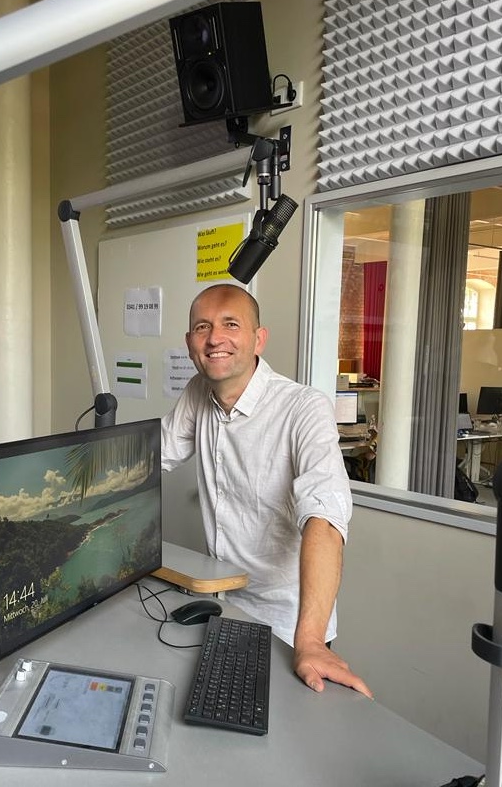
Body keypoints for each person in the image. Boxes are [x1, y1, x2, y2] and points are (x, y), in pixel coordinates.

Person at [161, 283, 372, 698]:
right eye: (202, 327)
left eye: (230, 325)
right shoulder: (198, 394)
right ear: (189, 343)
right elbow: (152, 457)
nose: (215, 338)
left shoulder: (304, 408)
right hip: (223, 605)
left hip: (288, 626)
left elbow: (325, 518)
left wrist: (309, 641)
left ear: (259, 338)